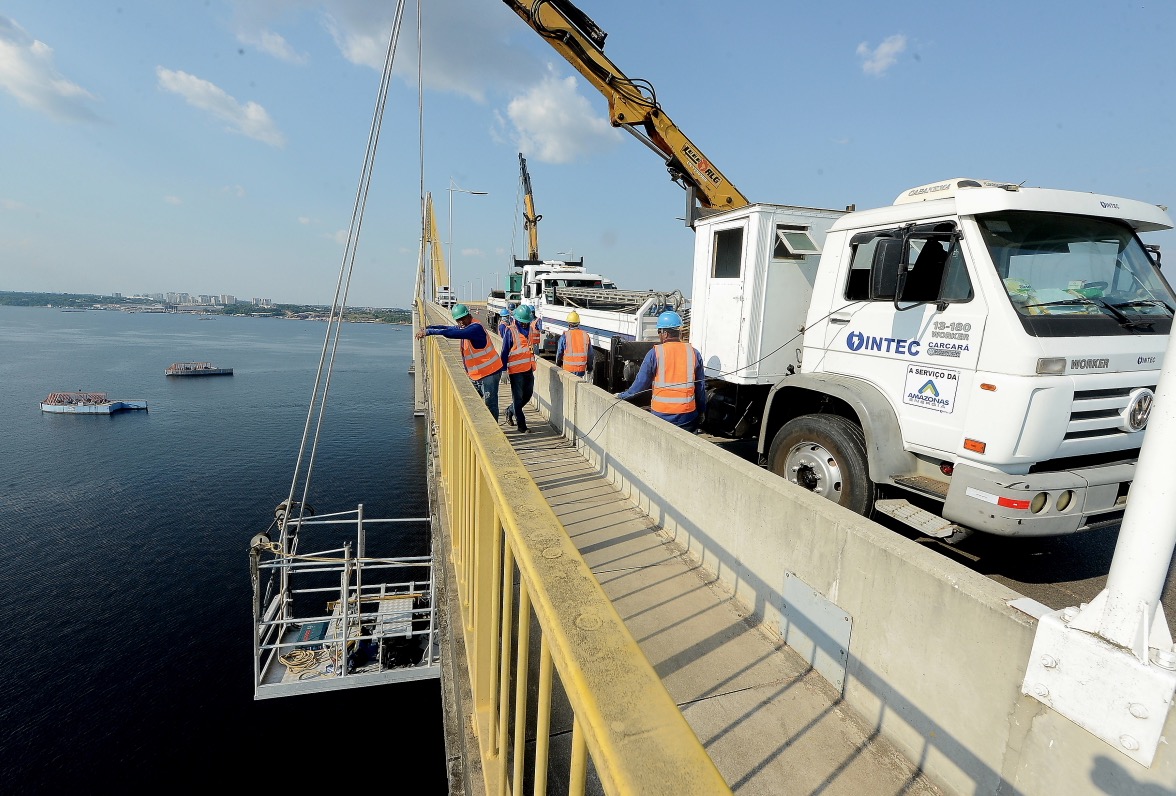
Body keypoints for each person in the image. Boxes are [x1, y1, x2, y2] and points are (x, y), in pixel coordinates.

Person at [615, 310, 707, 432]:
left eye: (659, 331)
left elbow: (640, 385)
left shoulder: (655, 353)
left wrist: (622, 396)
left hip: (661, 415)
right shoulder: (693, 353)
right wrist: (701, 411)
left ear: (664, 333)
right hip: (687, 417)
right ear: (678, 332)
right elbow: (700, 388)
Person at [415, 304, 503, 422]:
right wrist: (430, 327)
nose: (460, 322)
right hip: (477, 374)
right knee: (470, 403)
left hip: (490, 372)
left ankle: (494, 431)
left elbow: (453, 334)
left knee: (490, 404)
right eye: (458, 320)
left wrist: (429, 332)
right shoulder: (466, 326)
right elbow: (448, 328)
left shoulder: (475, 328)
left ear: (469, 315)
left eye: (462, 319)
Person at [500, 304, 537, 433]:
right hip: (516, 371)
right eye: (524, 322)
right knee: (518, 398)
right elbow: (504, 351)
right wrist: (503, 370)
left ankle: (510, 410)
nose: (526, 324)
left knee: (528, 395)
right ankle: (522, 426)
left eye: (527, 322)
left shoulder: (530, 330)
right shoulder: (511, 331)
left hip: (528, 368)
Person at [555, 310, 594, 379]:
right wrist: (590, 368)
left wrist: (558, 364)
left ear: (569, 324)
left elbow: (559, 352)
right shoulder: (585, 335)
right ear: (578, 323)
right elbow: (590, 354)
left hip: (568, 369)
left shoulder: (565, 335)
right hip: (580, 370)